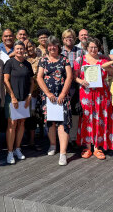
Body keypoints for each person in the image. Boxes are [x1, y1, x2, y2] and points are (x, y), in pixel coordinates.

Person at [74, 37, 113, 160]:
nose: (93, 49)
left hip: (102, 95)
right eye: (91, 47)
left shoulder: (104, 59)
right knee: (87, 119)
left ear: (99, 48)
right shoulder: (80, 60)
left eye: (95, 47)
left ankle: (98, 147)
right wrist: (81, 81)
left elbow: (112, 72)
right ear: (86, 48)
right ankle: (87, 147)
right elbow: (74, 76)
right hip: (86, 95)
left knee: (100, 119)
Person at [37, 36, 73, 166]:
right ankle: (53, 145)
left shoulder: (64, 59)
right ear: (47, 47)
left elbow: (69, 76)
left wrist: (63, 93)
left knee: (63, 122)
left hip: (62, 96)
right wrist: (47, 93)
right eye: (49, 46)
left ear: (58, 46)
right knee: (50, 122)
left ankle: (63, 153)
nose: (52, 48)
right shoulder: (43, 60)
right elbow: (39, 78)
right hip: (48, 97)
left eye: (54, 45)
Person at [3, 41, 34, 164]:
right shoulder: (9, 63)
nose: (20, 51)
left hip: (24, 98)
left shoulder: (27, 64)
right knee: (12, 124)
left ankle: (17, 148)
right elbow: (6, 80)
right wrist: (12, 96)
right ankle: (9, 152)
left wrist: (29, 96)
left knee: (22, 123)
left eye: (22, 48)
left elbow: (32, 82)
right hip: (12, 98)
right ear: (14, 50)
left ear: (24, 50)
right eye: (17, 48)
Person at [60, 29, 84, 150]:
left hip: (76, 85)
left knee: (75, 112)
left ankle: (73, 138)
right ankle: (63, 138)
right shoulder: (58, 51)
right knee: (62, 112)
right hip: (61, 85)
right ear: (63, 39)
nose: (69, 39)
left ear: (74, 39)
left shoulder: (80, 51)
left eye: (71, 37)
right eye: (66, 38)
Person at [25, 40, 42, 150]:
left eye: (31, 46)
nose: (29, 49)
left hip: (37, 92)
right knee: (25, 117)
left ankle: (33, 140)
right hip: (25, 92)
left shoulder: (40, 60)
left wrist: (38, 89)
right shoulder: (24, 60)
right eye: (27, 47)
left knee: (34, 116)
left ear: (35, 46)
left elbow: (43, 76)